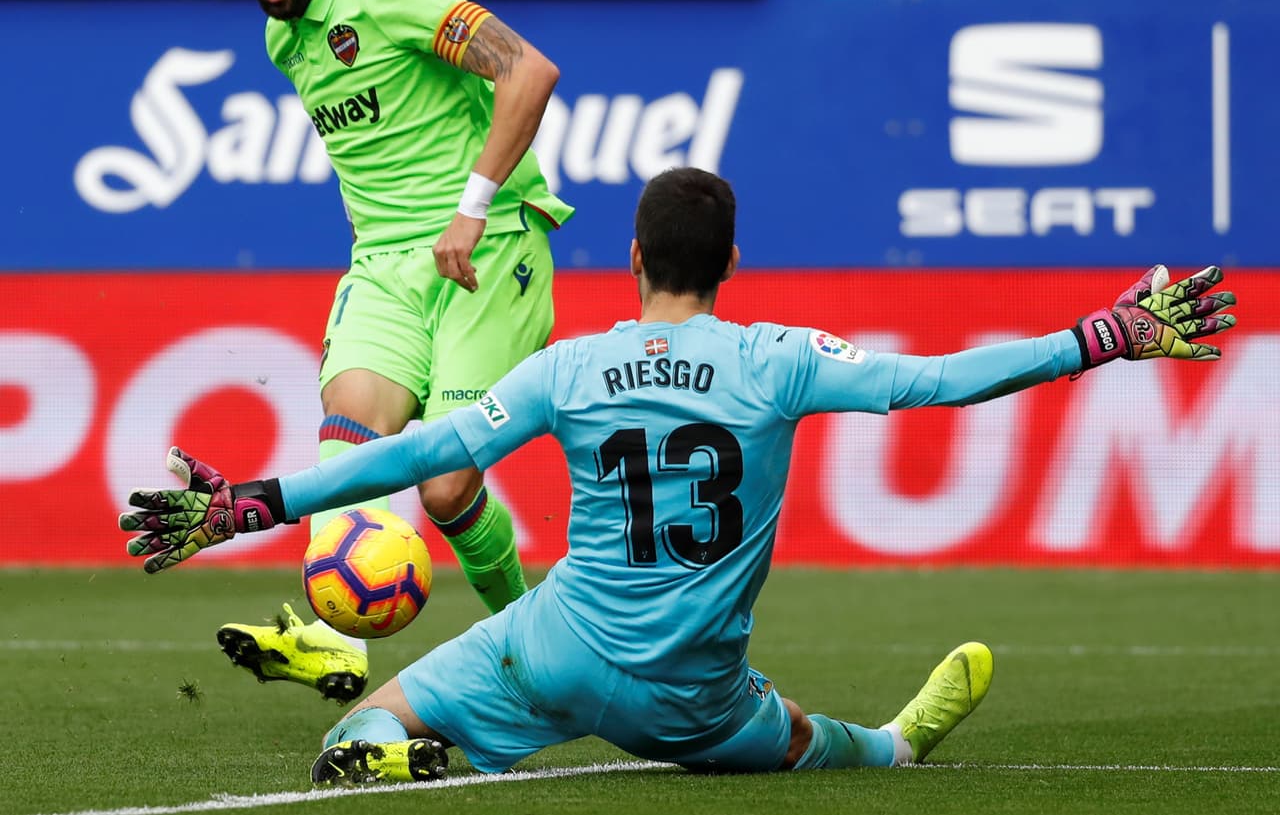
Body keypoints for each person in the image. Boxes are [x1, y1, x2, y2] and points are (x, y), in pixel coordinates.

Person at [120, 168, 1236, 783]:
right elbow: (939, 381)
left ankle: (397, 753)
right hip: (692, 690)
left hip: (552, 649)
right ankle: (897, 740)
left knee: (352, 729)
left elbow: (427, 453)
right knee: (807, 741)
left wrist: (254, 501)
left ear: (636, 260)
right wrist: (1101, 335)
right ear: (731, 264)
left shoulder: (570, 366)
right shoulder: (778, 358)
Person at [202, 0, 574, 704]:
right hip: (384, 264)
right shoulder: (284, 39)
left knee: (445, 487)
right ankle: (336, 641)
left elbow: (529, 70)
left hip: (486, 250)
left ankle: (542, 656)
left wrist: (471, 208)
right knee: (347, 444)